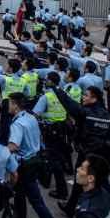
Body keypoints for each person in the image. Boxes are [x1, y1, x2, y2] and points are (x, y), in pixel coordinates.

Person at [6, 92, 69, 218]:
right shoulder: (31, 118)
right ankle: (20, 217)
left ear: (14, 105)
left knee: (37, 202)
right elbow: (40, 137)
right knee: (19, 190)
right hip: (34, 160)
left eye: (9, 103)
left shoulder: (17, 124)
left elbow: (13, 146)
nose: (8, 106)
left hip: (25, 165)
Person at [51, 84, 110, 217]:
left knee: (87, 179)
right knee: (85, 181)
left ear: (94, 99)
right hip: (101, 153)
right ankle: (71, 207)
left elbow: (69, 103)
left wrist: (56, 88)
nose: (83, 97)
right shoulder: (106, 115)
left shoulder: (86, 113)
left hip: (87, 153)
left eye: (86, 96)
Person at [32, 72, 70, 200]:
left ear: (49, 82)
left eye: (46, 79)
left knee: (53, 159)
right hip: (61, 129)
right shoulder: (64, 95)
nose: (44, 81)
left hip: (49, 130)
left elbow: (35, 116)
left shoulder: (46, 97)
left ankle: (62, 189)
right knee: (59, 154)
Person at [0, 58, 30, 145]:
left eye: (8, 65)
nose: (6, 66)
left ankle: (2, 142)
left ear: (11, 68)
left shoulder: (5, 79)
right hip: (18, 106)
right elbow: (28, 93)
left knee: (4, 125)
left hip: (7, 105)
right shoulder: (23, 80)